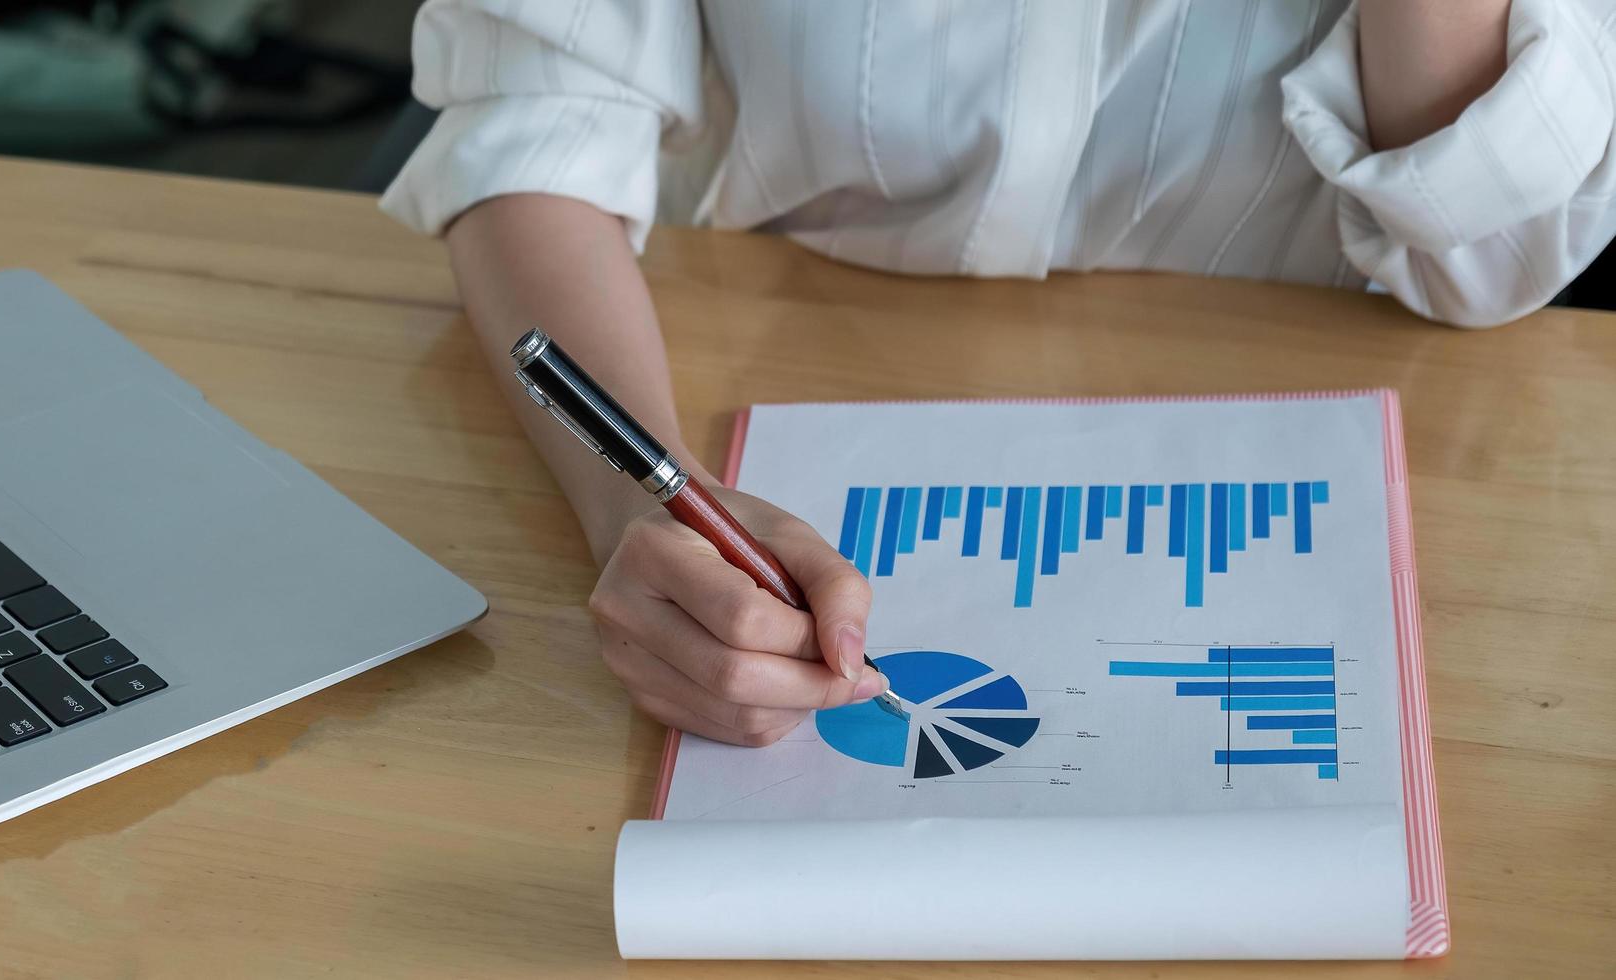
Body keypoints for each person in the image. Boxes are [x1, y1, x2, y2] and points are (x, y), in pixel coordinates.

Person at [383, 1, 1616, 746]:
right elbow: (533, 115)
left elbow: (1492, 255)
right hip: (764, 386)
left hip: (1342, 477)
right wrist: (642, 503)